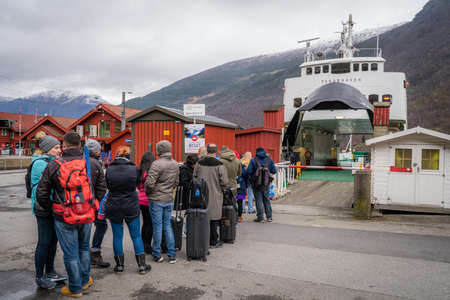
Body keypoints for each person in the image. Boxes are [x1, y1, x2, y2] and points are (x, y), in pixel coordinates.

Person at [37, 132, 106, 297]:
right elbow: (102, 189)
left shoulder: (54, 165)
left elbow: (41, 192)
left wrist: (53, 209)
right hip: (87, 214)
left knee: (70, 253)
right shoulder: (92, 164)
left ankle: (75, 288)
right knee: (83, 248)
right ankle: (84, 281)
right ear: (80, 144)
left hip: (64, 215)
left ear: (64, 145)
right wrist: (90, 205)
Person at [105, 146, 151, 274]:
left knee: (117, 236)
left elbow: (107, 185)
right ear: (128, 156)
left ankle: (119, 265)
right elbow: (137, 183)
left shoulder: (109, 169)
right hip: (130, 204)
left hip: (114, 204)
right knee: (136, 235)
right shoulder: (134, 169)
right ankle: (142, 265)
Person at [31, 135, 65, 289]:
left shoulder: (52, 162)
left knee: (53, 241)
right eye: (56, 147)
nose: (59, 150)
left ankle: (50, 271)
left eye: (59, 147)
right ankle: (39, 276)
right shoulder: (40, 164)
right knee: (44, 242)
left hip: (53, 207)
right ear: (47, 149)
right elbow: (45, 189)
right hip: (43, 208)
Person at [145, 140, 180, 263]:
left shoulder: (156, 164)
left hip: (156, 199)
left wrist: (149, 193)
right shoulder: (175, 164)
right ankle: (171, 254)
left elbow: (149, 183)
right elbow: (176, 182)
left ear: (159, 150)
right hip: (169, 198)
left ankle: (157, 254)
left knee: (157, 227)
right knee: (167, 226)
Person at [194, 143, 228, 248]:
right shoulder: (219, 164)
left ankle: (201, 239)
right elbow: (224, 181)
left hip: (201, 194)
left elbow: (194, 177)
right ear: (216, 151)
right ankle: (213, 241)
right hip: (215, 194)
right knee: (213, 218)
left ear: (207, 151)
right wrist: (224, 190)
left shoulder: (199, 163)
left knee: (202, 217)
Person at [86, 139, 110, 269]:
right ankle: (95, 253)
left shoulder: (81, 161)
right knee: (101, 225)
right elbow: (100, 187)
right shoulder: (95, 164)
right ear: (95, 151)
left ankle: (85, 254)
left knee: (84, 228)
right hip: (94, 202)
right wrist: (102, 204)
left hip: (82, 202)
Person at [245, 147, 277, 223]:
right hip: (266, 184)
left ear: (257, 152)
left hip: (256, 184)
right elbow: (274, 170)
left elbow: (249, 171)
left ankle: (260, 217)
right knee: (266, 200)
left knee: (258, 200)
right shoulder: (269, 159)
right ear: (264, 152)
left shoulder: (253, 160)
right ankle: (269, 217)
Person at [137, 151, 155, 254]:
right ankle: (148, 246)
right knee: (151, 224)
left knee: (145, 222)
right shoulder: (153, 171)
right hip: (150, 199)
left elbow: (138, 186)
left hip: (141, 200)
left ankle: (144, 244)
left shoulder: (139, 170)